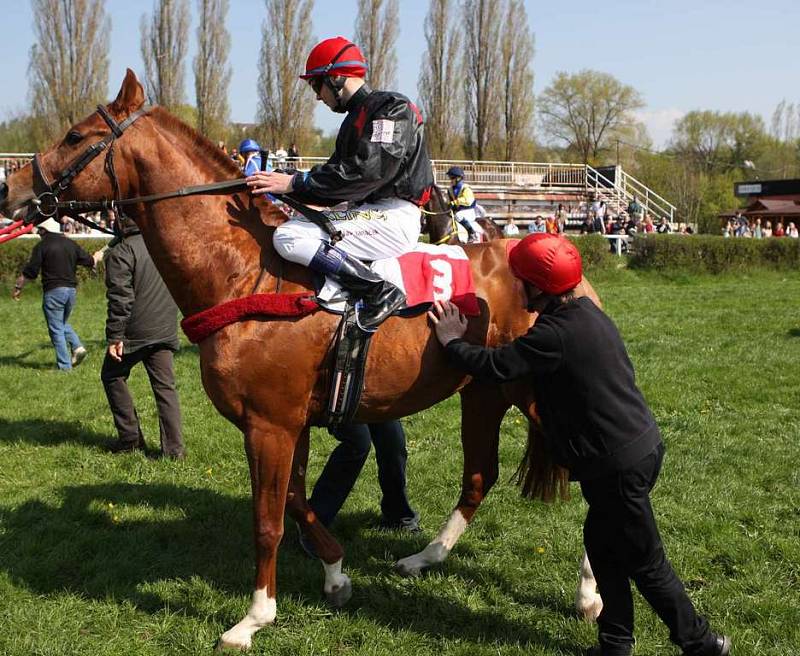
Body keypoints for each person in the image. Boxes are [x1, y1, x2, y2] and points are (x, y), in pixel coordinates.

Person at [427, 233, 731, 656]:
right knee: (604, 550)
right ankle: (615, 644)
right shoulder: (584, 312)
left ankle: (703, 643)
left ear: (535, 287)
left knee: (646, 563)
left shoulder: (554, 336)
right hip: (629, 451)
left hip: (618, 466)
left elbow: (497, 366)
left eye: (520, 280)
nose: (515, 286)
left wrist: (452, 339)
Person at [246, 36, 434, 332]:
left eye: (316, 86)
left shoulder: (391, 108)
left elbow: (368, 172)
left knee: (288, 237)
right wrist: (290, 190)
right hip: (371, 212)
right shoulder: (354, 120)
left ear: (335, 78)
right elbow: (336, 178)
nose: (318, 97)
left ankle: (379, 291)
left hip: (394, 217)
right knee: (297, 223)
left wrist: (294, 182)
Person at [100, 216, 185, 458]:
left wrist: (115, 336)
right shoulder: (161, 246)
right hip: (165, 327)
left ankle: (130, 440)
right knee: (165, 388)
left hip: (136, 333)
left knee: (111, 375)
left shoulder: (121, 252)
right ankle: (174, 451)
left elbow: (120, 299)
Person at [299, 420, 420, 556]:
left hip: (376, 398)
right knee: (357, 442)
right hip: (342, 400)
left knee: (393, 441)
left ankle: (398, 515)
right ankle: (313, 527)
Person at [12, 218, 93, 370]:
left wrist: (18, 286)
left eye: (39, 231)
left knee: (55, 329)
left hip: (54, 291)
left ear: (44, 230)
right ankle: (77, 347)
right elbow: (89, 261)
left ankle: (65, 367)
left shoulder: (42, 246)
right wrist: (95, 259)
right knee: (60, 323)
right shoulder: (71, 244)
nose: (38, 234)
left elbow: (31, 271)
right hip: (71, 292)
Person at [446, 166, 484, 243]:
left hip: (468, 211)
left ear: (458, 178)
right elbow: (448, 201)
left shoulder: (466, 188)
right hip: (457, 211)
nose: (450, 180)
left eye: (452, 178)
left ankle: (472, 234)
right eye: (450, 178)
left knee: (458, 215)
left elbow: (468, 200)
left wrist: (455, 202)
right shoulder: (450, 190)